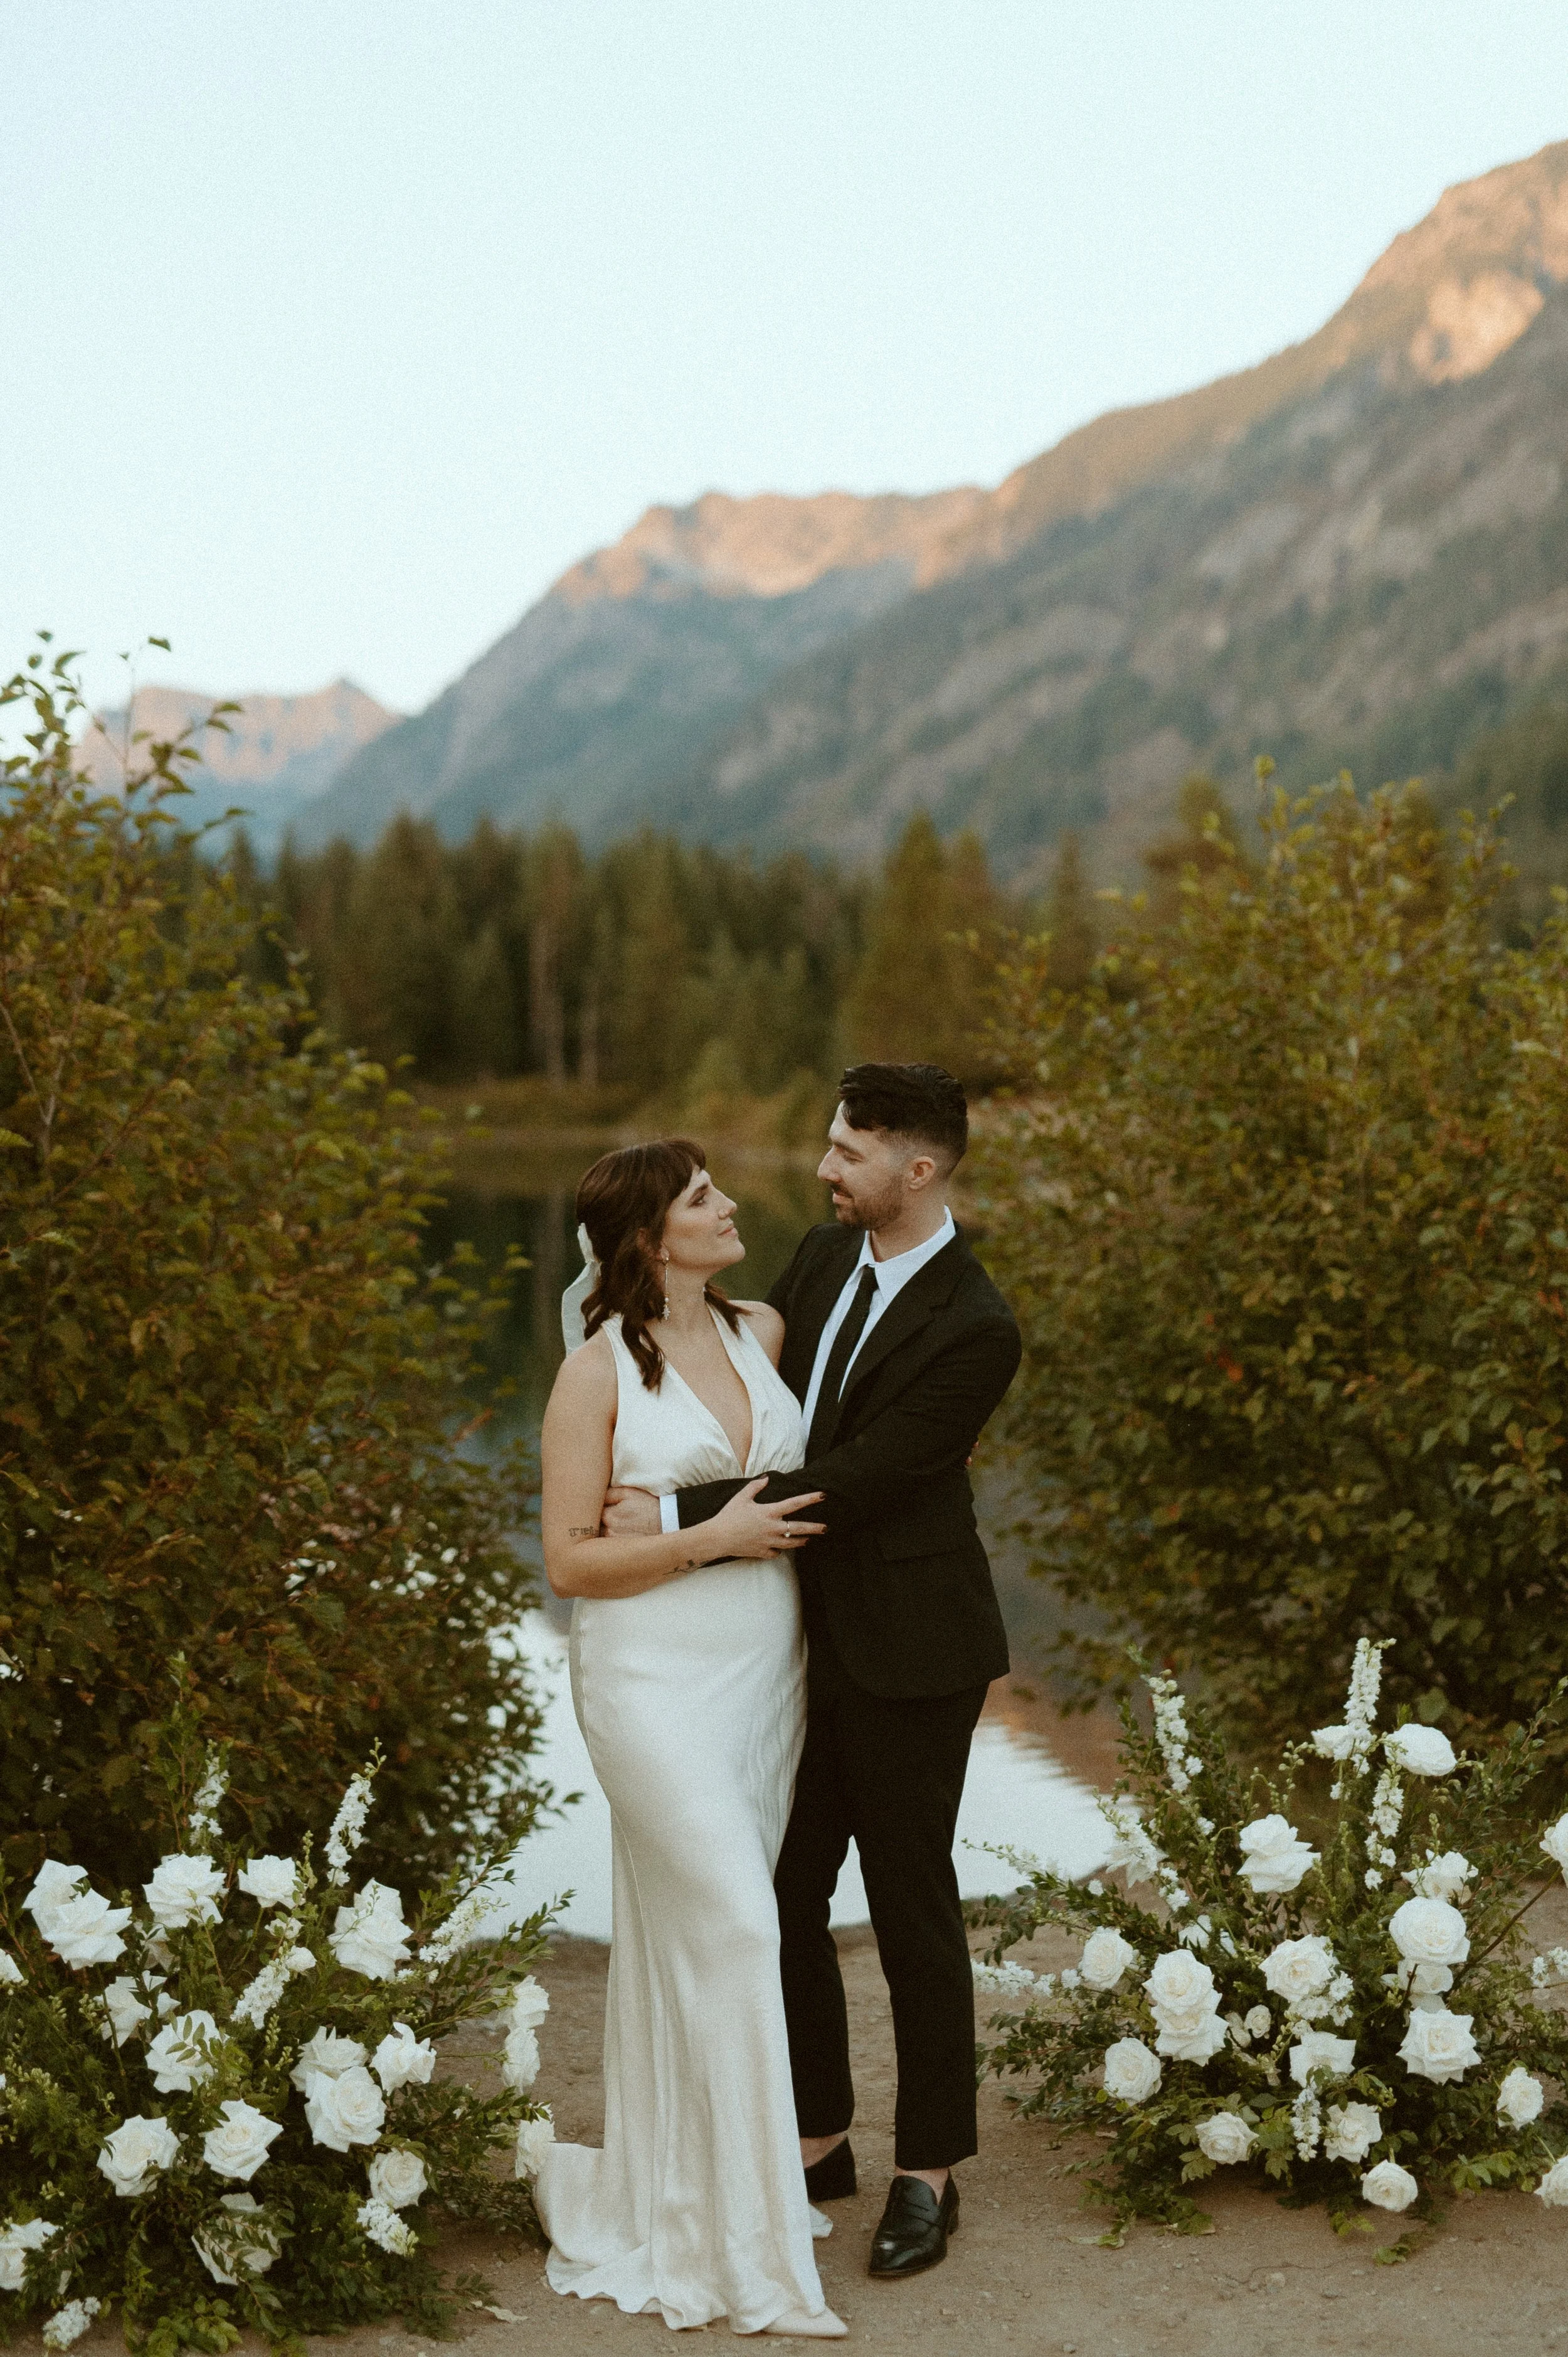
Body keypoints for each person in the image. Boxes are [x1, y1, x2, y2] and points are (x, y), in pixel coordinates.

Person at [604, 1063, 1022, 2284]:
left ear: (917, 1169)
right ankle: (819, 2136)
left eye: (846, 1153)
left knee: (909, 1910)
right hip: (794, 1641)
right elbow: (745, 1381)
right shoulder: (820, 1257)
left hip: (912, 1650)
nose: (825, 1170)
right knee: (784, 1888)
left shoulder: (976, 1325)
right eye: (830, 1146)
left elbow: (867, 1475)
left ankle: (928, 2172)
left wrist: (672, 1514)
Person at [534, 1137, 847, 2338]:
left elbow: (801, 1486)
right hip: (650, 1682)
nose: (730, 1207)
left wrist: (686, 1513)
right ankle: (743, 2242)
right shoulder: (596, 1374)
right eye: (703, 1199)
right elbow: (571, 1561)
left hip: (766, 1676)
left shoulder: (763, 1332)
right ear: (650, 1243)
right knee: (733, 1916)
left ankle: (705, 2190)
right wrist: (702, 1540)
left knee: (700, 1934)